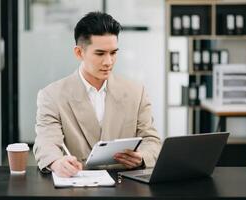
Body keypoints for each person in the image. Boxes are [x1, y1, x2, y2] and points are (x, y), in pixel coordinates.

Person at [33, 11, 161, 178]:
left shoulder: (136, 92)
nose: (108, 62)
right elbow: (46, 142)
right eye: (100, 54)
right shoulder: (52, 95)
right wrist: (57, 162)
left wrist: (141, 157)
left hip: (125, 187)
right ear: (79, 53)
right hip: (77, 185)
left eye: (113, 53)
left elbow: (151, 140)